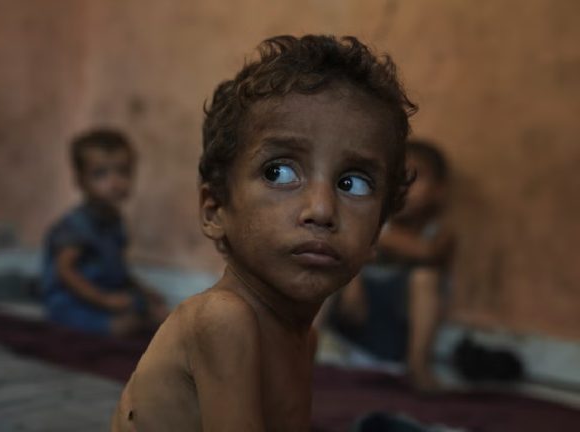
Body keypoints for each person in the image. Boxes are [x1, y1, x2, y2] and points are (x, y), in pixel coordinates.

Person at [112, 34, 417, 431]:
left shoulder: (303, 338)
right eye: (280, 172)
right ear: (214, 209)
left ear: (376, 233)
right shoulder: (223, 320)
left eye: (353, 183)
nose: (322, 209)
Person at [330, 139, 453, 391]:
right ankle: (309, 346)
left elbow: (427, 252)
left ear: (438, 190)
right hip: (352, 323)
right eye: (396, 179)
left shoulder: (439, 232)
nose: (403, 188)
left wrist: (378, 240)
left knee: (425, 277)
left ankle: (418, 366)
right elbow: (347, 250)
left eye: (414, 178)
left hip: (394, 334)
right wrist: (353, 283)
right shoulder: (373, 220)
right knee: (329, 262)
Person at [41, 129, 168, 336]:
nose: (115, 183)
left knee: (156, 311)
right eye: (101, 174)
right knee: (121, 327)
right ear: (80, 181)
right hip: (73, 300)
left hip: (107, 292)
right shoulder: (76, 226)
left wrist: (143, 290)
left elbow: (116, 267)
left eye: (123, 172)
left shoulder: (115, 222)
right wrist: (104, 300)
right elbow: (65, 271)